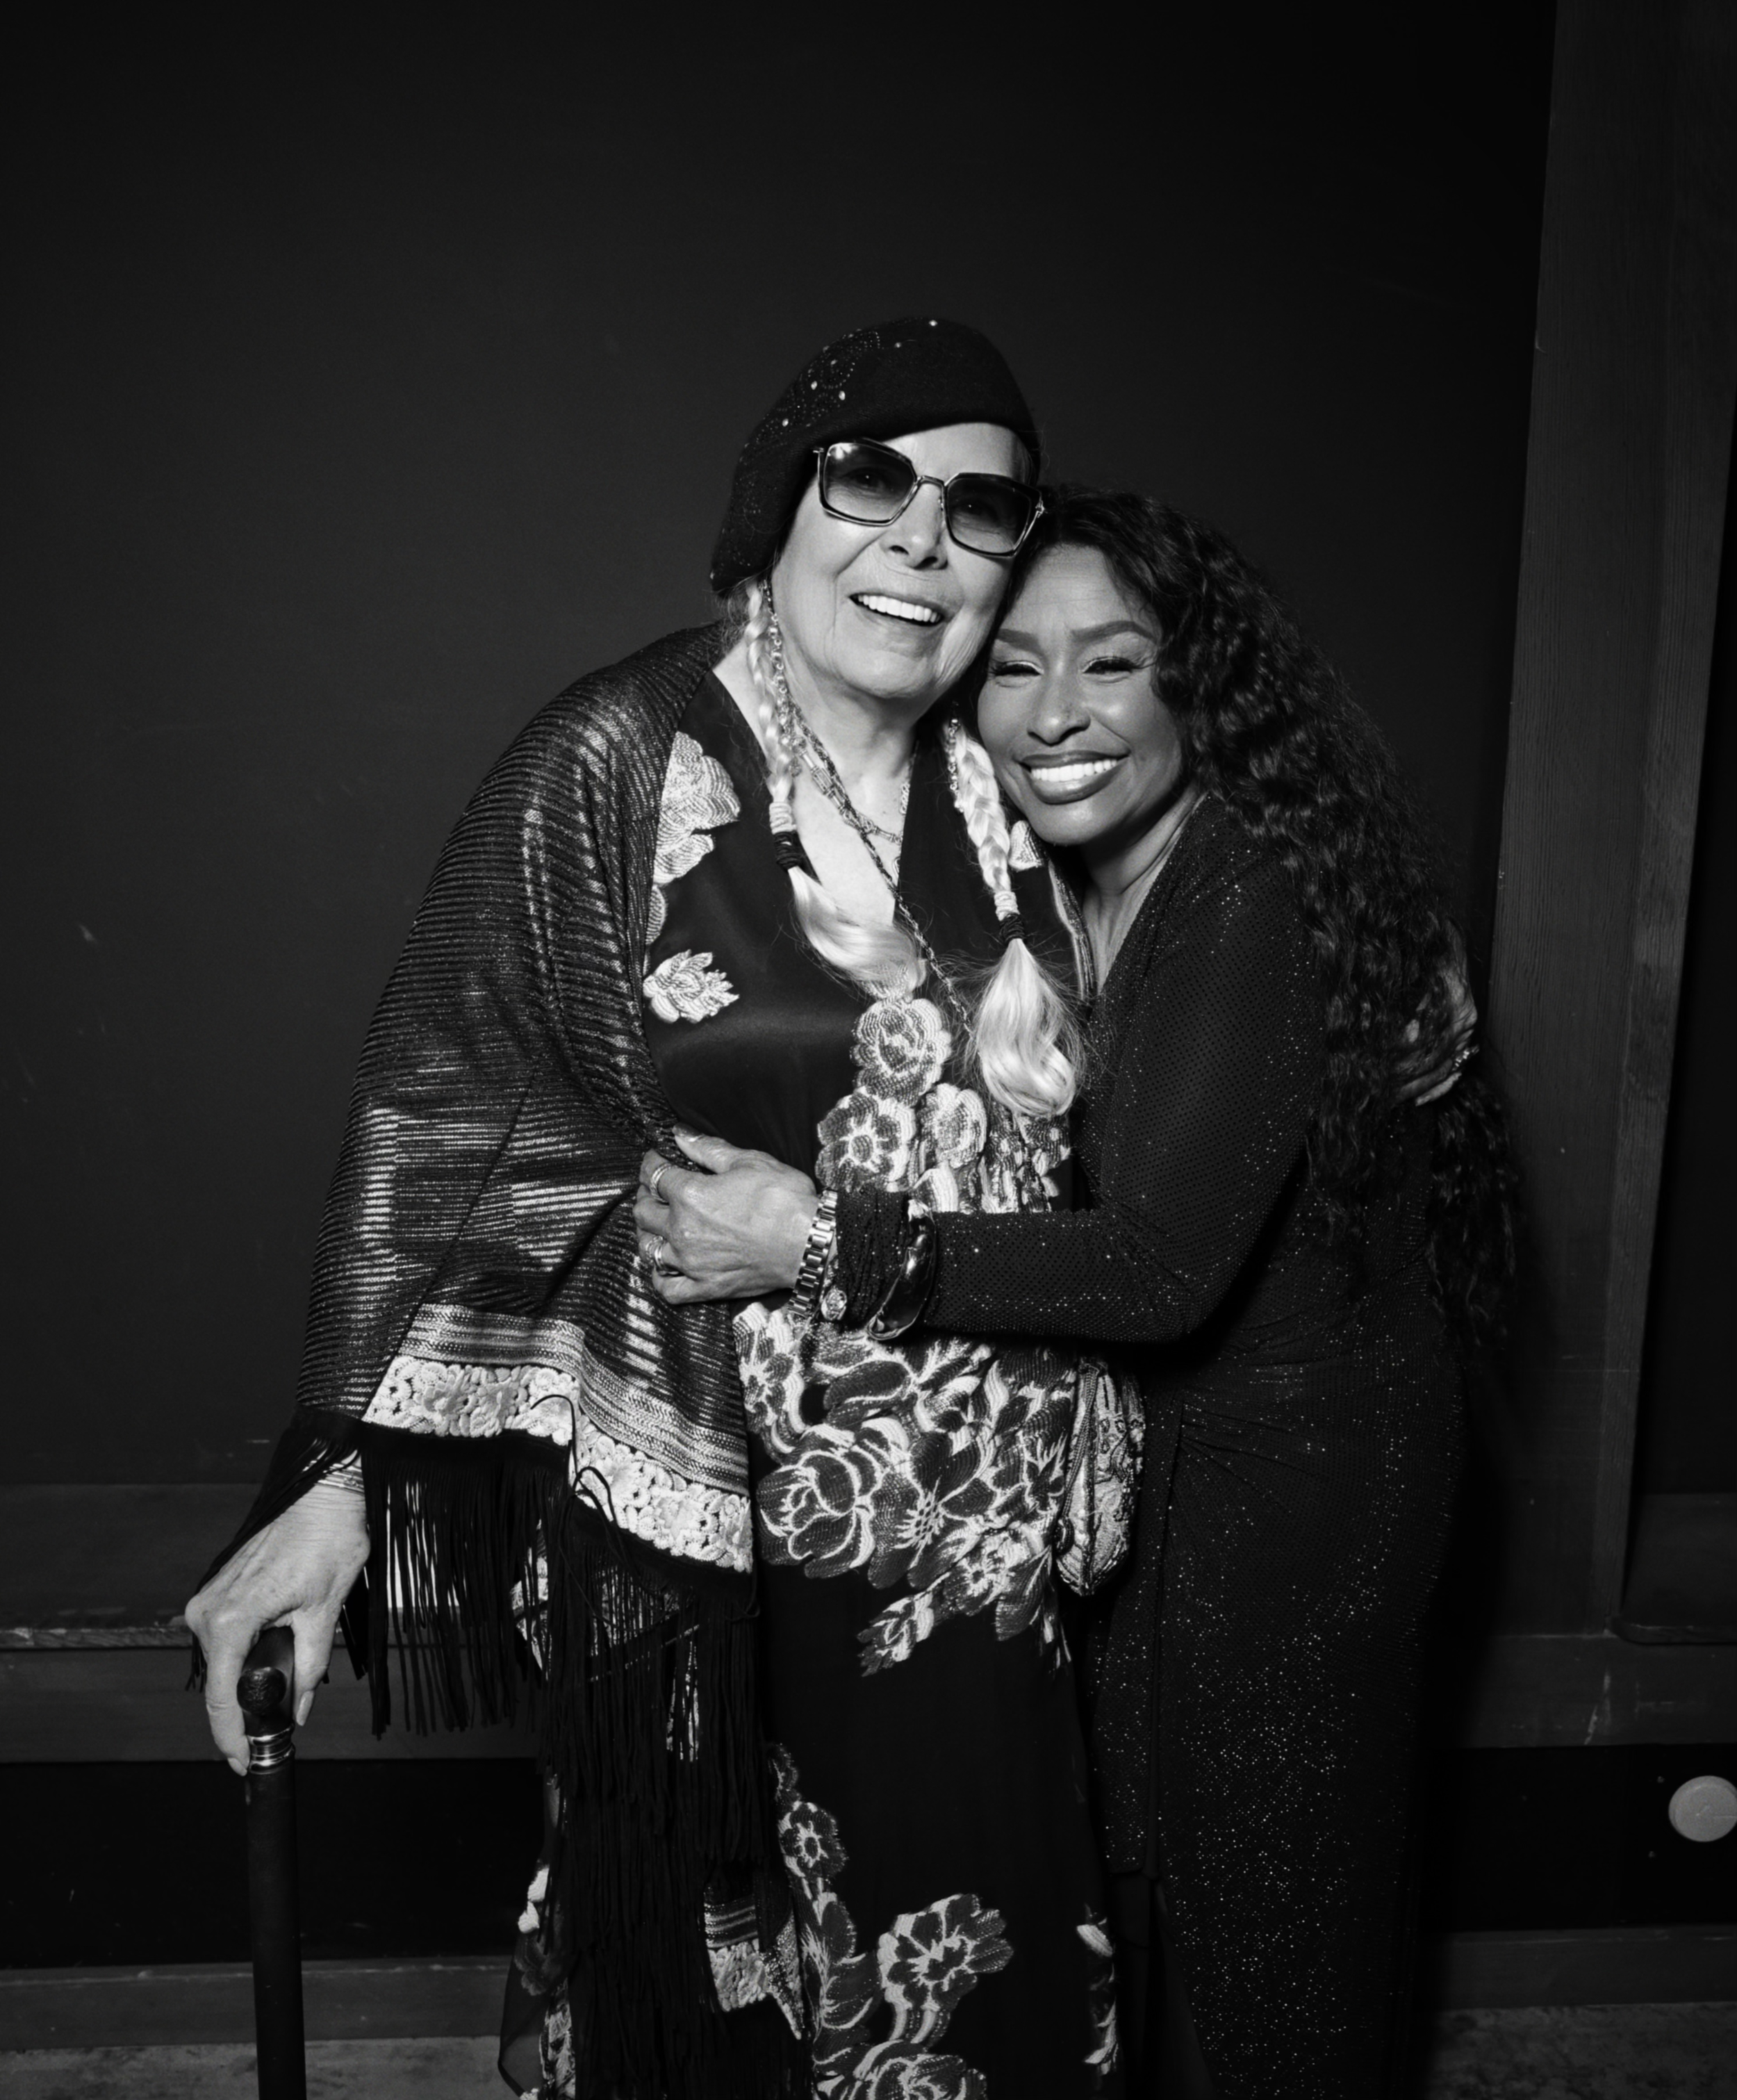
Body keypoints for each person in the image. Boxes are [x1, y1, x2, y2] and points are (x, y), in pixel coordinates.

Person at [187, 321, 1135, 2100]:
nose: (921, 544)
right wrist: (334, 1501)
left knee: (979, 1958)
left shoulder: (1006, 784)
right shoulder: (618, 754)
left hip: (983, 1556)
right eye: (872, 483)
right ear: (779, 506)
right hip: (715, 1523)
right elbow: (451, 1122)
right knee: (713, 1983)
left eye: (980, 507)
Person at [639, 487, 1513, 2099]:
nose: (1055, 714)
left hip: (1288, 1511)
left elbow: (1157, 1265)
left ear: (1204, 685)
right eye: (1015, 665)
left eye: (1110, 663)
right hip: (1169, 1484)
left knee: (1273, 1956)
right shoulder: (1032, 871)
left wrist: (818, 1239)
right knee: (1151, 1927)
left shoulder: (1245, 887)